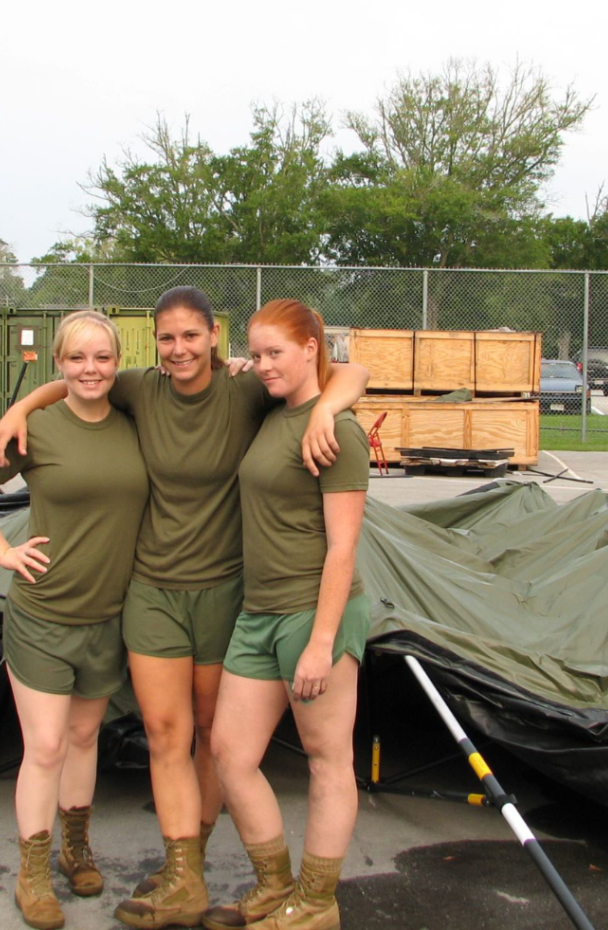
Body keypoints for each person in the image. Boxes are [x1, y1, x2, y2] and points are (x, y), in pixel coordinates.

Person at [0, 287, 368, 930]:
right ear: (154, 344)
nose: (180, 349)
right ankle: (185, 874)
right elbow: (79, 382)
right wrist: (20, 406)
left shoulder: (251, 389)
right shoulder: (141, 388)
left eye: (192, 336)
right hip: (153, 591)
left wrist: (330, 405)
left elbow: (347, 369)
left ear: (215, 337)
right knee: (172, 736)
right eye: (167, 338)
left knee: (215, 736)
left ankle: (289, 891)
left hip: (230, 592)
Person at [0, 311, 149, 930]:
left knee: (84, 739)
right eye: (77, 358)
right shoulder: (36, 429)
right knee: (43, 746)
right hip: (43, 614)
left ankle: (75, 846)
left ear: (117, 363)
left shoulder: (135, 423)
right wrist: (2, 551)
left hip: (108, 617)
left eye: (102, 358)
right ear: (58, 362)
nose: (90, 370)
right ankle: (32, 871)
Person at [204, 299, 369, 930]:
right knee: (230, 752)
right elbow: (345, 376)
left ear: (311, 348)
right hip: (258, 612)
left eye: (278, 352)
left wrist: (321, 642)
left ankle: (316, 902)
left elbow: (343, 548)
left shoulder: (338, 432)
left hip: (312, 615)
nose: (266, 363)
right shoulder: (276, 410)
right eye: (259, 351)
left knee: (327, 758)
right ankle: (275, 885)